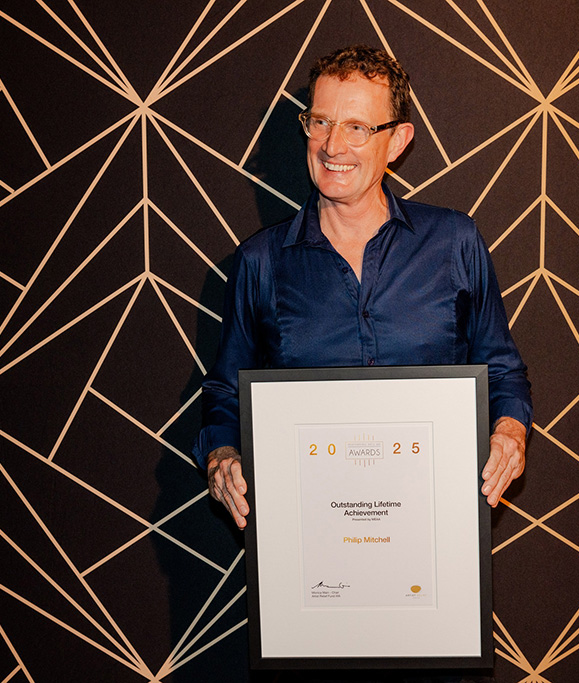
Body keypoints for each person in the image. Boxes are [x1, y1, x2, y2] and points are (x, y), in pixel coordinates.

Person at [193, 45, 531, 530]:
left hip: (436, 526)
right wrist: (222, 455)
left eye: (357, 128)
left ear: (396, 142)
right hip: (308, 533)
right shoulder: (260, 261)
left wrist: (510, 433)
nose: (332, 146)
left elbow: (503, 372)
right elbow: (226, 392)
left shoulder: (454, 242)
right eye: (320, 122)